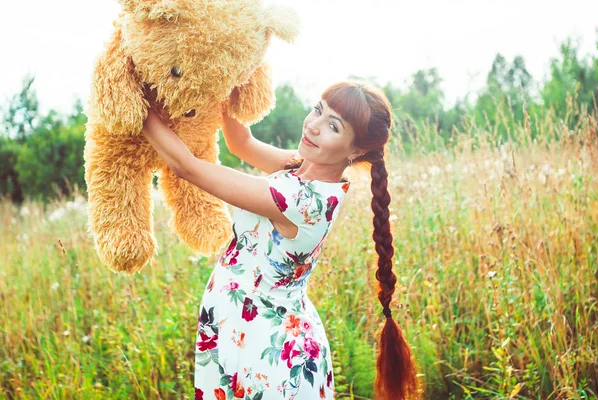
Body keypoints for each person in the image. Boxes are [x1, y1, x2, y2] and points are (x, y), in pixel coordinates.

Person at [142, 81, 418, 399]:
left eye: (332, 125)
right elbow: (240, 143)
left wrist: (135, 102)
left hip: (268, 358)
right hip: (256, 337)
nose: (313, 125)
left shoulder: (301, 200)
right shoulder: (305, 171)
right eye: (318, 110)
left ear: (355, 151)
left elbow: (186, 166)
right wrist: (226, 76)